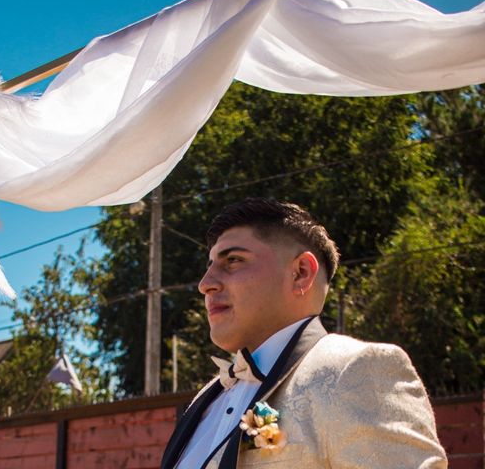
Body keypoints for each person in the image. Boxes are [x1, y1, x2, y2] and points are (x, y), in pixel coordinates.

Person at [161, 198, 447, 469]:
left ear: (300, 273)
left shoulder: (355, 369)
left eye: (233, 260)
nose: (205, 284)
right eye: (210, 266)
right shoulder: (205, 399)